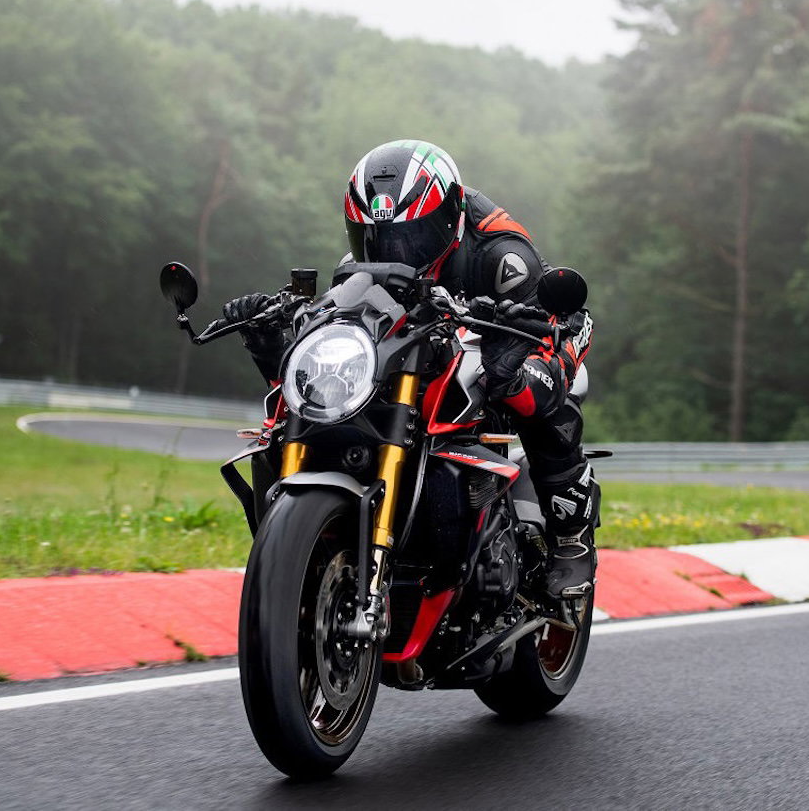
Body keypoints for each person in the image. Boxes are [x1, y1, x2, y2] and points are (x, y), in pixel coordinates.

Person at [220, 139, 598, 598]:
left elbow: (544, 325)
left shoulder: (504, 260)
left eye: (412, 236)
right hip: (436, 334)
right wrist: (274, 346)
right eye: (375, 237)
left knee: (525, 392)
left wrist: (510, 354)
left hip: (537, 319)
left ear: (448, 218)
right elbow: (337, 357)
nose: (394, 248)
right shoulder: (359, 268)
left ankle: (570, 539)